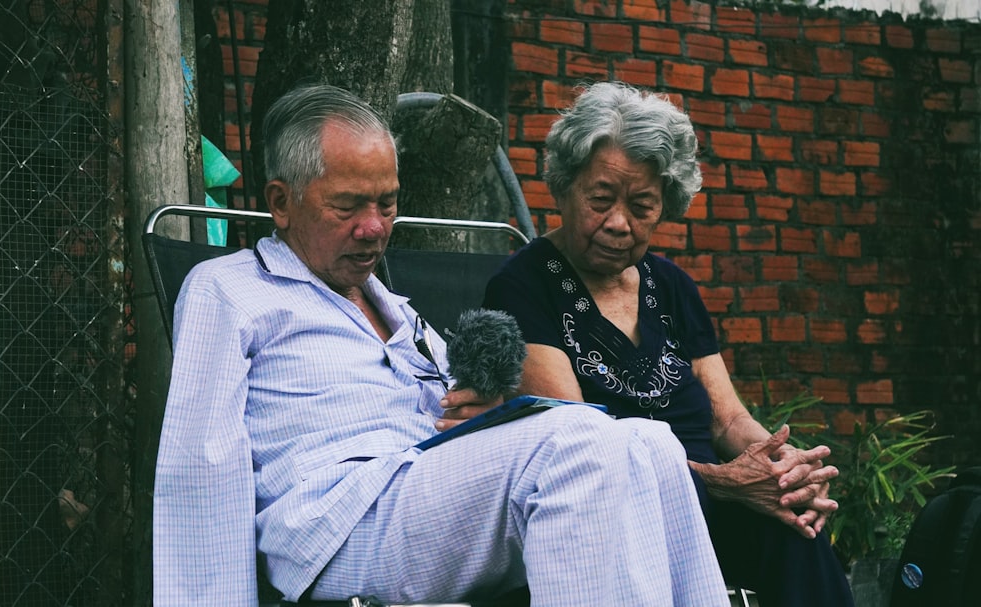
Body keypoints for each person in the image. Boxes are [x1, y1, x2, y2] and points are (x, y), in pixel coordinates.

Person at [152, 83, 730, 606]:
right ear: (281, 203)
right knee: (582, 441)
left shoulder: (395, 311)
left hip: (427, 493)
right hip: (340, 526)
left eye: (387, 203)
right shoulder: (229, 290)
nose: (375, 226)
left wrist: (490, 415)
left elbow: (470, 425)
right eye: (349, 205)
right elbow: (200, 468)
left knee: (650, 443)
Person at [483, 81, 855, 607]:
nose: (618, 223)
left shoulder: (672, 286)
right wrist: (722, 483)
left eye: (641, 206)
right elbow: (577, 449)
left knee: (797, 524)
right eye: (600, 200)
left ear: (667, 207)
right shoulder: (522, 288)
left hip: (711, 506)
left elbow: (727, 420)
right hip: (613, 517)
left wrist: (780, 468)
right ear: (563, 188)